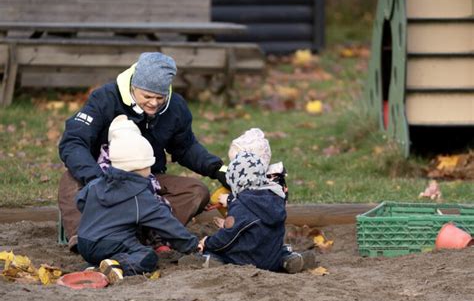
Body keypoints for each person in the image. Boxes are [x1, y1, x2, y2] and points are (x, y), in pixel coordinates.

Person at [58, 52, 227, 252]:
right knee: (70, 181)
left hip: (147, 178)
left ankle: (155, 233)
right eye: (147, 96)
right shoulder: (104, 98)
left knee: (197, 191)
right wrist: (96, 178)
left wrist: (217, 169)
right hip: (103, 174)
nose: (154, 103)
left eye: (160, 97)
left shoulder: (175, 107)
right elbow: (74, 141)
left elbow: (186, 147)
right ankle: (85, 237)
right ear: (133, 87)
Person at [76, 120, 199, 283]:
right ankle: (118, 266)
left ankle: (95, 265)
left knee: (115, 245)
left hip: (84, 241)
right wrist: (192, 245)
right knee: (147, 256)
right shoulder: (139, 196)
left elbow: (81, 201)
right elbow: (166, 223)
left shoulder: (96, 184)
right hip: (111, 243)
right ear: (144, 166)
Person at [179, 151, 317, 273]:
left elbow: (227, 238)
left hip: (247, 260)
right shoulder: (276, 198)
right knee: (279, 248)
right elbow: (252, 209)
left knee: (217, 250)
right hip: (271, 259)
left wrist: (207, 242)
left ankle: (210, 260)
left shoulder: (240, 207)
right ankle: (287, 259)